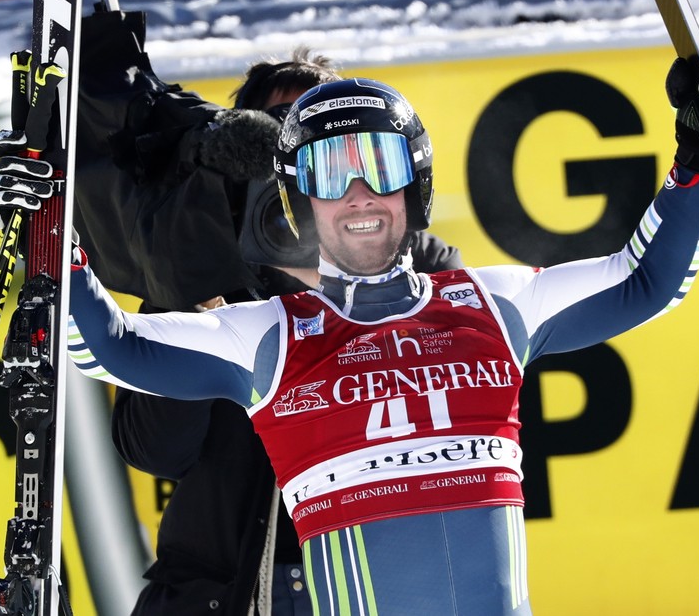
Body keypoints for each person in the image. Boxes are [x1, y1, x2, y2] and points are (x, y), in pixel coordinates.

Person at [0, 47, 699, 615]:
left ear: (417, 180)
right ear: (298, 200)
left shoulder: (494, 304)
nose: (361, 192)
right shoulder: (263, 334)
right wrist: (49, 229)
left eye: (378, 162)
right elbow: (106, 346)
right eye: (330, 174)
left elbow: (646, 281)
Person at [110, 52, 463, 616]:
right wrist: (199, 300)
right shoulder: (200, 265)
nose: (290, 163)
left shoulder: (421, 268)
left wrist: (360, 280)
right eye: (271, 141)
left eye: (317, 145)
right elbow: (157, 451)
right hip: (223, 591)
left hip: (379, 585)